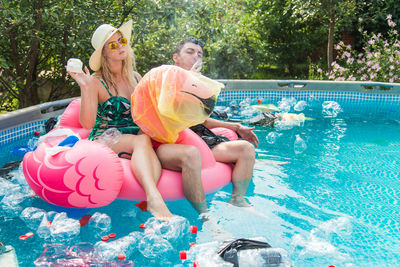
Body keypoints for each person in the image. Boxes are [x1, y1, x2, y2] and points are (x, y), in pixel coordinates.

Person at [67, 20, 173, 221]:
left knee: (145, 139)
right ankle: (153, 197)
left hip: (135, 136)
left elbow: (146, 112)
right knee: (142, 141)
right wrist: (85, 87)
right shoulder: (96, 81)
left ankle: (149, 197)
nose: (120, 46)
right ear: (104, 53)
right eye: (113, 45)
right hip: (104, 137)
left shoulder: (135, 76)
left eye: (122, 40)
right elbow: (88, 124)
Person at [154, 37, 258, 218]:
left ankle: (237, 199)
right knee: (191, 153)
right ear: (175, 58)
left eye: (199, 54)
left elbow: (203, 120)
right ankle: (204, 216)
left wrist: (236, 126)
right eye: (190, 52)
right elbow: (167, 114)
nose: (196, 57)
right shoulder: (164, 79)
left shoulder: (198, 85)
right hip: (173, 140)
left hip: (199, 138)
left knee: (246, 149)